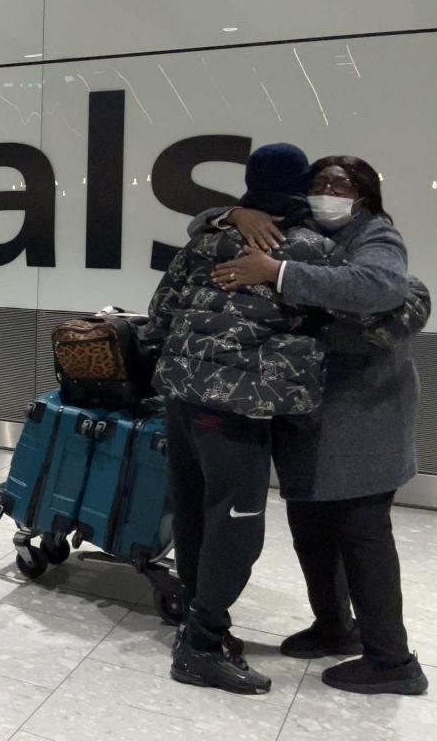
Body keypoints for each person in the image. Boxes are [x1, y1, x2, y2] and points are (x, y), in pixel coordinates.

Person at [202, 155, 430, 695]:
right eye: (320, 183)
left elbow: (379, 287)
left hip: (364, 412)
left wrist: (278, 272)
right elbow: (201, 220)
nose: (329, 191)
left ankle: (393, 661)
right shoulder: (294, 226)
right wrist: (235, 213)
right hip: (308, 410)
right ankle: (335, 625)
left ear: (365, 194)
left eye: (342, 184)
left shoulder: (375, 235)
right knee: (310, 528)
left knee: (362, 533)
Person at [146, 143, 348, 695]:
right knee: (236, 523)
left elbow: (161, 313)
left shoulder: (207, 237)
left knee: (192, 510)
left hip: (183, 396)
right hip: (236, 408)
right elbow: (350, 318)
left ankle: (193, 612)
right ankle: (202, 647)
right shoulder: (310, 249)